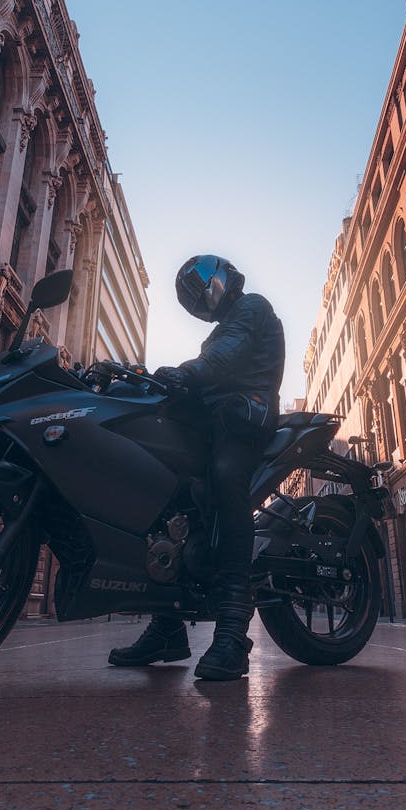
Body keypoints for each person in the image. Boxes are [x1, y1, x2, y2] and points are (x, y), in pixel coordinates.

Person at [108, 254, 285, 681]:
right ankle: (166, 625)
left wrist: (187, 372)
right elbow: (209, 369)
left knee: (226, 476)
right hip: (213, 422)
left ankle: (231, 627)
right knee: (165, 496)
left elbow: (224, 360)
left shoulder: (251, 308)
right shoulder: (223, 328)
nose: (194, 300)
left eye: (195, 290)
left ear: (215, 278)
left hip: (247, 417)